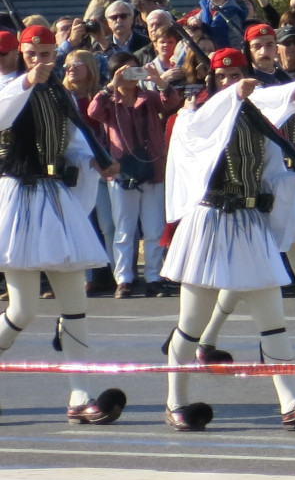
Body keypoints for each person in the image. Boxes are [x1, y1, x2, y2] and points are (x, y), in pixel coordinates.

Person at [158, 49, 295, 432]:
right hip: (210, 221)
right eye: (222, 77)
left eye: (237, 74)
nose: (230, 82)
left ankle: (290, 401)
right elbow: (202, 133)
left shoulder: (260, 124)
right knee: (191, 322)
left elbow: (270, 175)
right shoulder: (194, 118)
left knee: (272, 319)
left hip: (251, 221)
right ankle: (175, 399)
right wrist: (232, 95)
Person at [0, 25, 124, 424]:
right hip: (18, 197)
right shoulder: (9, 85)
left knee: (75, 306)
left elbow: (71, 139)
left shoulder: (59, 93)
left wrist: (96, 161)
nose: (40, 59)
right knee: (23, 308)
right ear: (21, 53)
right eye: (32, 53)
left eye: (47, 53)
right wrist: (26, 81)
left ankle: (80, 393)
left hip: (55, 198)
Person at [87, 62, 182, 298]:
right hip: (122, 171)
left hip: (152, 169)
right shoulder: (109, 101)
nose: (129, 77)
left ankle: (153, 276)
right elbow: (93, 112)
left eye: (133, 71)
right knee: (124, 229)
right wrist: (111, 86)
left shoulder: (149, 97)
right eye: (123, 72)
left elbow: (171, 102)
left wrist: (158, 79)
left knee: (153, 228)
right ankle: (124, 279)